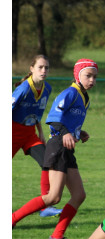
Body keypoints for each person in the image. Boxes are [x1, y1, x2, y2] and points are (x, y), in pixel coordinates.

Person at [12, 59, 98, 239]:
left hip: (67, 147)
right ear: (77, 75)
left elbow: (67, 121)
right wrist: (66, 132)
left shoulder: (85, 98)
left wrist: (78, 132)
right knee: (53, 197)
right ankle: (11, 220)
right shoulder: (70, 93)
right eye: (88, 76)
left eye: (94, 77)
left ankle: (57, 235)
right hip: (58, 145)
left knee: (79, 195)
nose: (92, 80)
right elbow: (53, 118)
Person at [12, 55, 62, 217]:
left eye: (46, 68)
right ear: (31, 69)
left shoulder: (47, 89)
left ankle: (45, 205)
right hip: (12, 132)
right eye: (40, 67)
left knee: (47, 162)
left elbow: (37, 114)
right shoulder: (24, 88)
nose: (44, 71)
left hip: (29, 134)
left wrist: (40, 132)